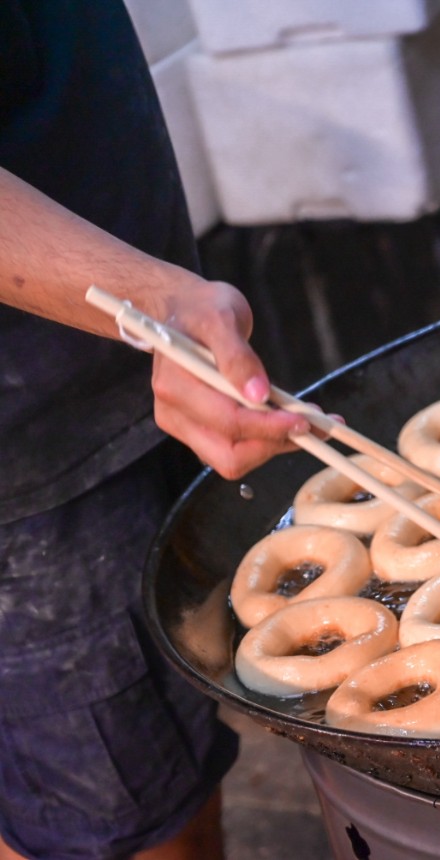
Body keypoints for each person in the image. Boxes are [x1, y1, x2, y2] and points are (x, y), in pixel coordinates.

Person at [0, 1, 307, 857]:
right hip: (33, 469)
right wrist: (153, 300)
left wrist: (156, 309)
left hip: (119, 361)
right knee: (128, 829)